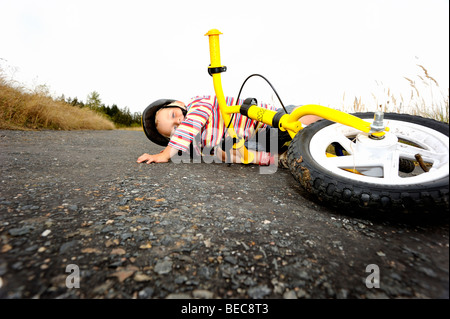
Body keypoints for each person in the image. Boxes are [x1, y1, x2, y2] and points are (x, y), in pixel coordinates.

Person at [137, 95, 320, 166]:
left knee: (302, 116)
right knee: (221, 151)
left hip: (270, 120)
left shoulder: (199, 103)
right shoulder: (195, 142)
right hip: (256, 141)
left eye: (174, 115)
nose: (178, 121)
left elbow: (192, 122)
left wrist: (168, 153)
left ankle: (333, 124)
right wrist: (172, 150)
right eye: (174, 129)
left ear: (179, 104)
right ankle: (280, 159)